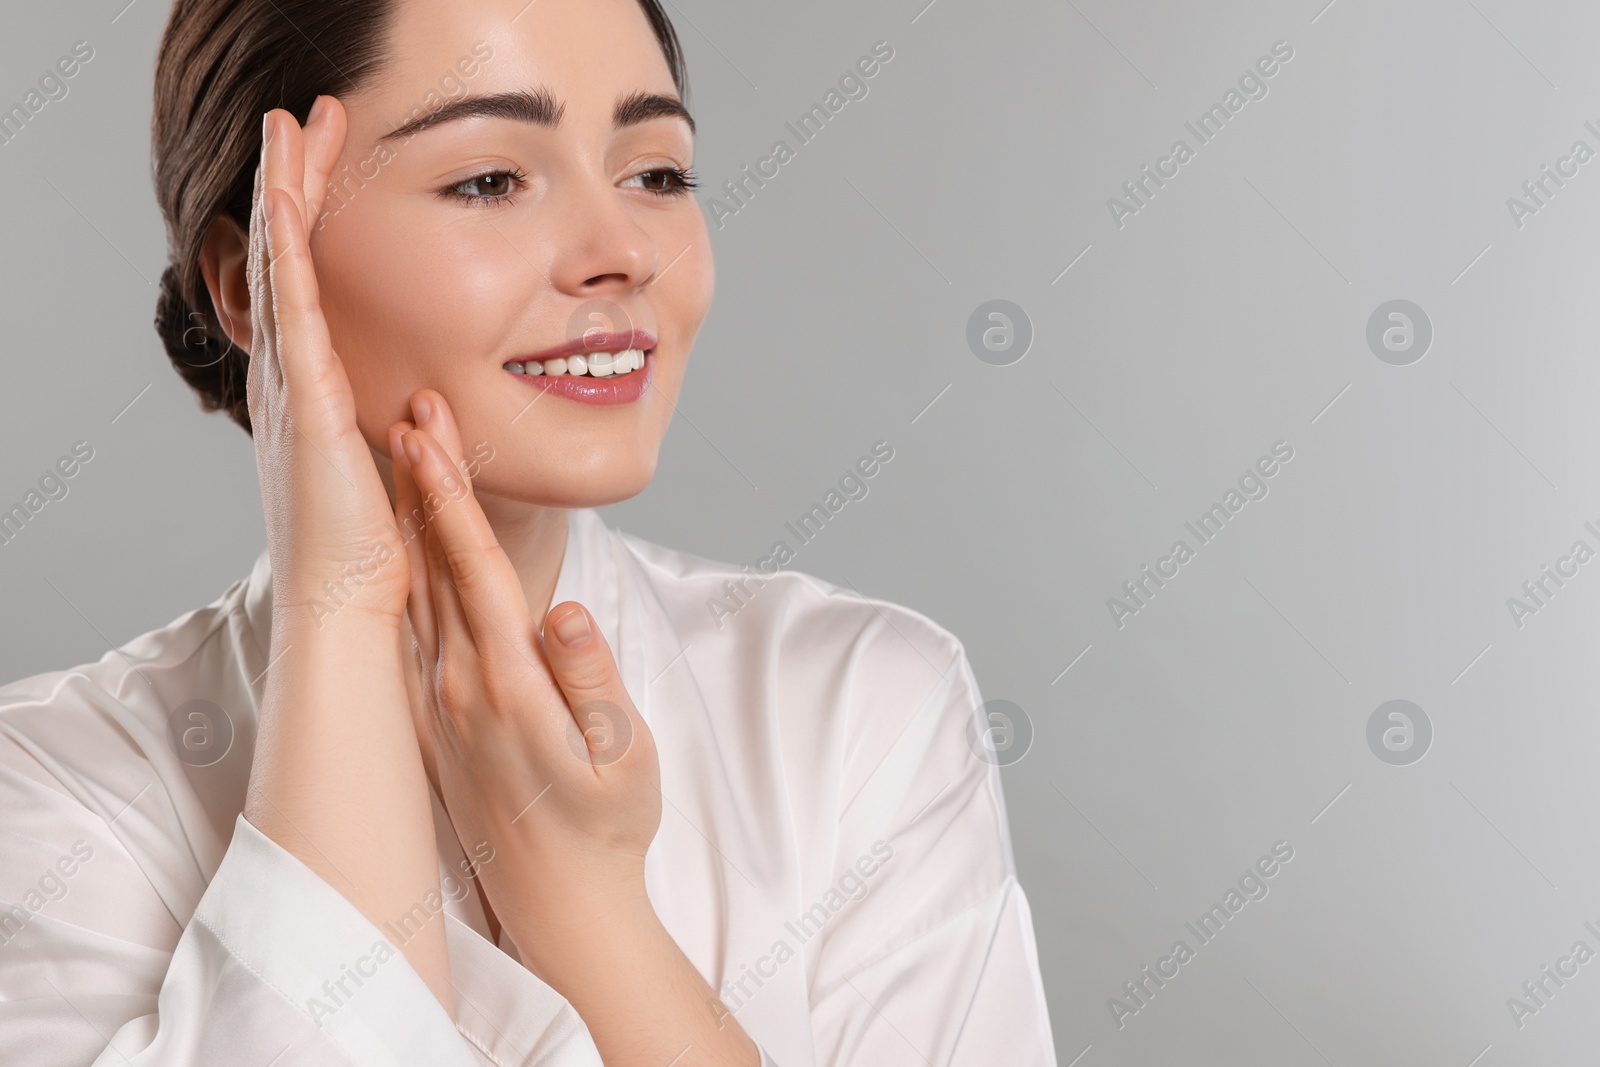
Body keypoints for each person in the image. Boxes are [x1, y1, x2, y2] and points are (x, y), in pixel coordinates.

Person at [0, 0, 1057, 1063]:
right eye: (489, 180)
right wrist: (341, 610)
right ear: (252, 283)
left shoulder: (857, 709)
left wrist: (587, 906)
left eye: (655, 173)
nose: (624, 253)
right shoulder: (56, 790)